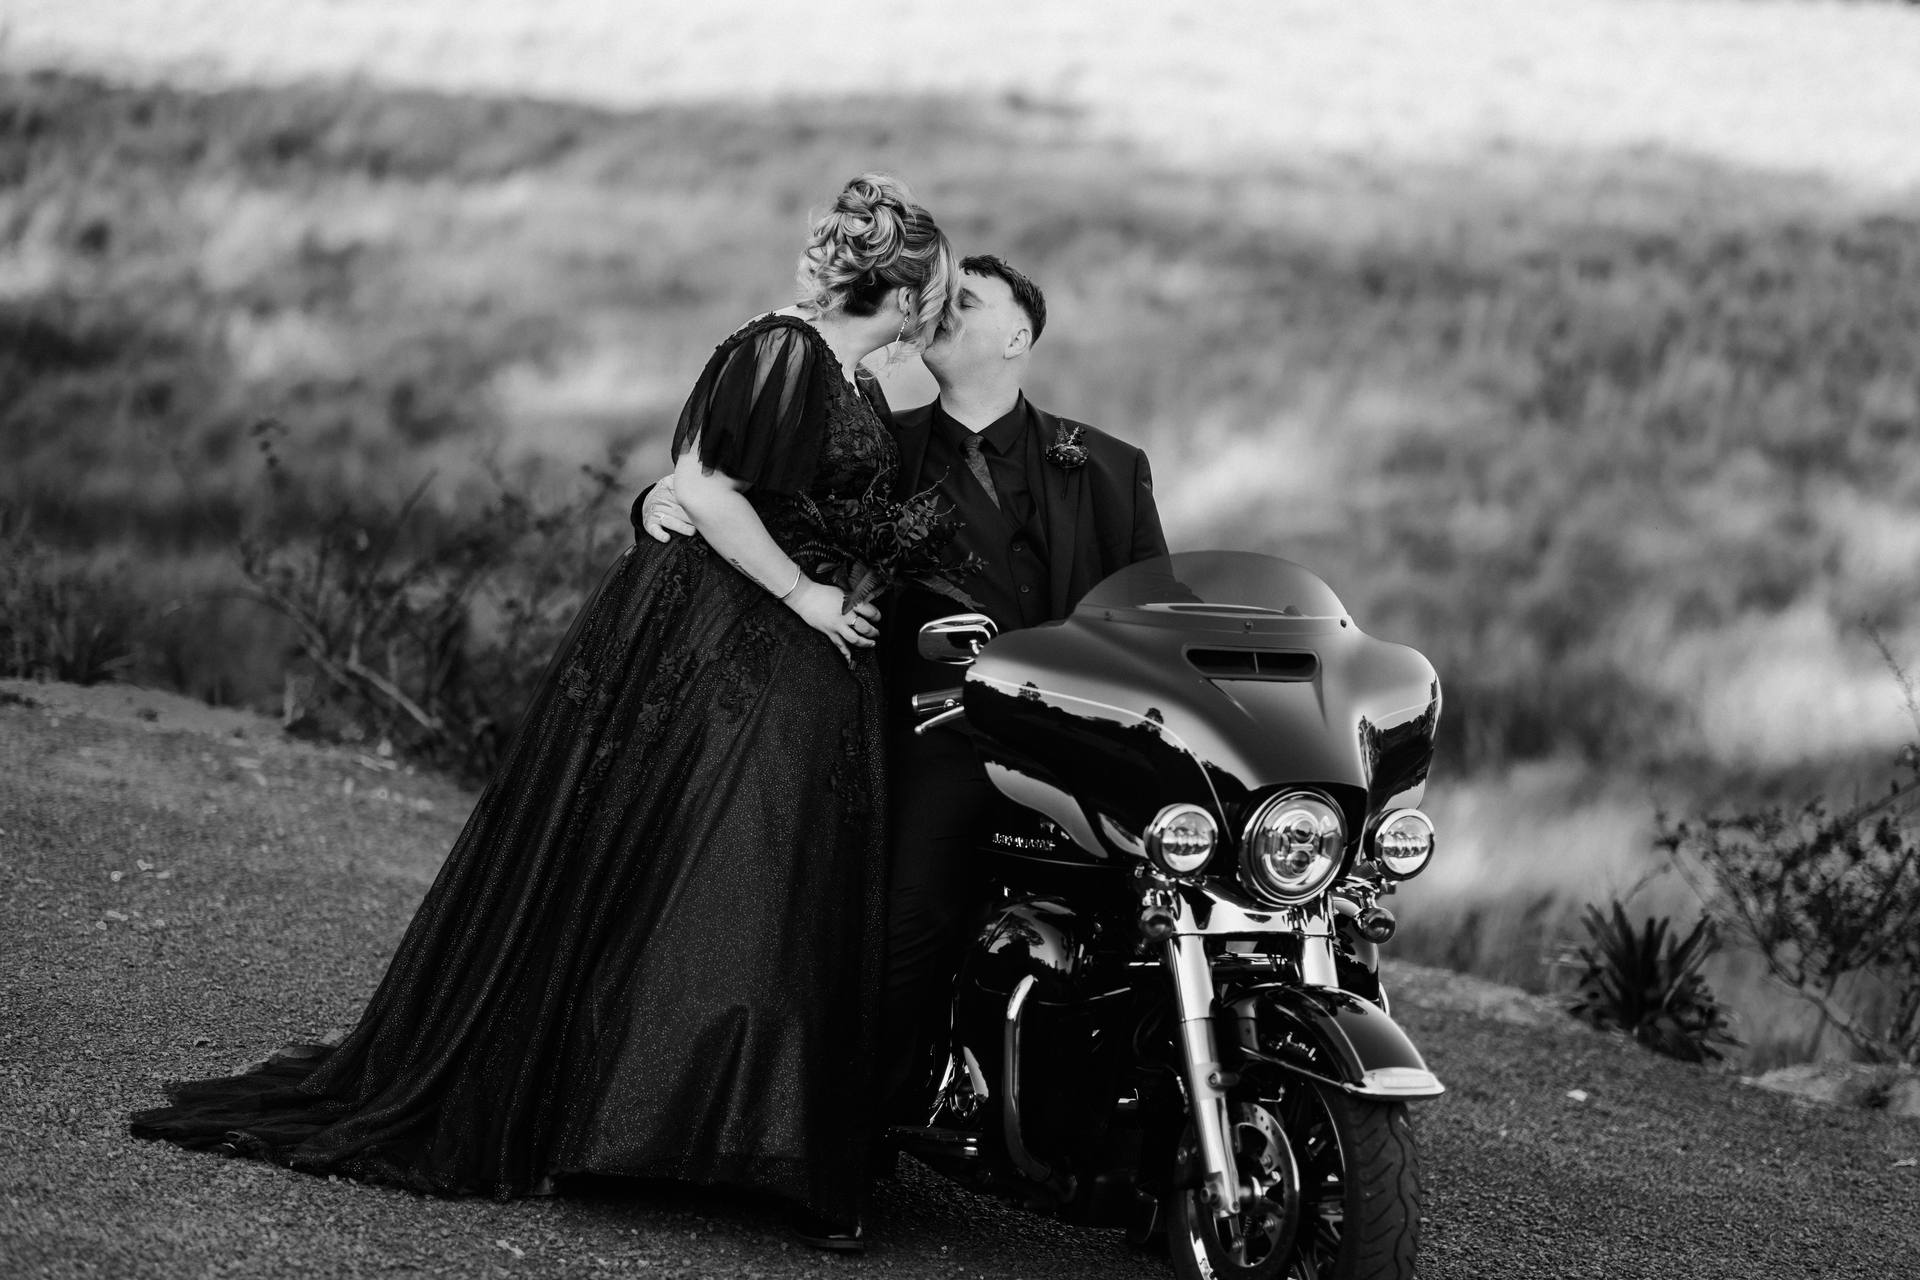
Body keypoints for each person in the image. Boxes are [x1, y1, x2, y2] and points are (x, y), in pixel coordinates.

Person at [130, 173, 960, 1252]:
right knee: (726, 866)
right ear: (897, 299)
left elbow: (793, 491)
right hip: (729, 633)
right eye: (925, 304)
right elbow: (705, 485)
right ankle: (651, 1117)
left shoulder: (845, 372)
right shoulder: (783, 347)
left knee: (758, 881)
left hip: (787, 644)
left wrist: (855, 564)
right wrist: (804, 594)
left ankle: (723, 1127)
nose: (924, 324)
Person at [641, 253, 1168, 1155]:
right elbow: (742, 493)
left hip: (1084, 745)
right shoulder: (880, 445)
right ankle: (848, 1145)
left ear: (1017, 335)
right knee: (913, 913)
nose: (935, 307)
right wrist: (662, 495)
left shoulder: (1111, 467)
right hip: (936, 732)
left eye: (963, 299)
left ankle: (1153, 1116)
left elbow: (1152, 621)